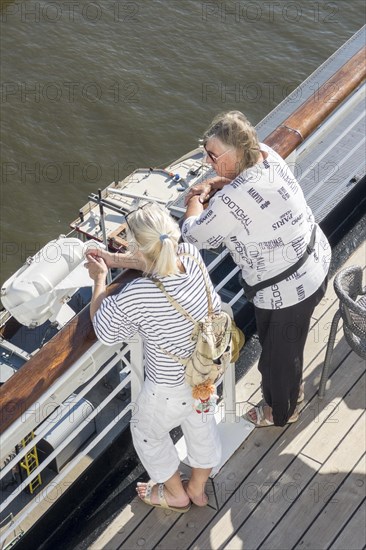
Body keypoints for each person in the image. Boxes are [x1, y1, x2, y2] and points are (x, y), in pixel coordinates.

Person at [182, 110, 331, 427]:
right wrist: (221, 180)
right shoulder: (267, 154)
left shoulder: (231, 200)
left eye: (212, 155)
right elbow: (247, 188)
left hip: (286, 292)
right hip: (313, 259)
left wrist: (196, 198)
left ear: (235, 152)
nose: (207, 162)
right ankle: (292, 390)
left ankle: (282, 412)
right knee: (286, 350)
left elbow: (195, 234)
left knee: (276, 360)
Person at [85, 202, 222, 512]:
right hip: (206, 371)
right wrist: (116, 258)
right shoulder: (191, 256)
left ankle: (175, 494)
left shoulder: (139, 295)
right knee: (201, 425)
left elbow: (104, 329)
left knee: (147, 433)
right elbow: (157, 256)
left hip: (169, 388)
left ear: (139, 247)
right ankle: (198, 489)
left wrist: (99, 277)